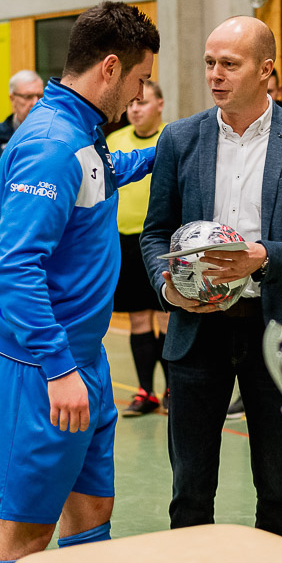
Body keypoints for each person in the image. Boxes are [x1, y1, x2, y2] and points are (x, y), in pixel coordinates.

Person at [0, 2, 160, 563]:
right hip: (42, 365)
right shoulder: (52, 143)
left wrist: (170, 148)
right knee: (27, 529)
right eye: (139, 81)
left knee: (91, 509)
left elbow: (104, 172)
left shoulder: (81, 131)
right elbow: (14, 268)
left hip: (84, 359)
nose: (140, 97)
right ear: (110, 68)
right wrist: (59, 369)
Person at [140, 15, 282, 540]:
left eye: (229, 63)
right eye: (209, 62)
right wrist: (169, 288)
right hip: (196, 330)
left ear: (266, 70)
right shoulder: (180, 139)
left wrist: (262, 257)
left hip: (275, 333)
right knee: (189, 488)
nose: (215, 74)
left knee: (278, 487)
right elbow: (155, 233)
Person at [107, 80, 171, 416]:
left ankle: (172, 390)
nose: (135, 109)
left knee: (166, 316)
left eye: (143, 103)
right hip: (126, 242)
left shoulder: (171, 139)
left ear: (160, 105)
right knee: (138, 319)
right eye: (131, 103)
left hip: (163, 241)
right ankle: (146, 391)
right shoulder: (114, 141)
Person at [0, 70, 45, 215]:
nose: (35, 102)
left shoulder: (51, 135)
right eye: (28, 97)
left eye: (40, 96)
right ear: (12, 98)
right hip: (4, 218)